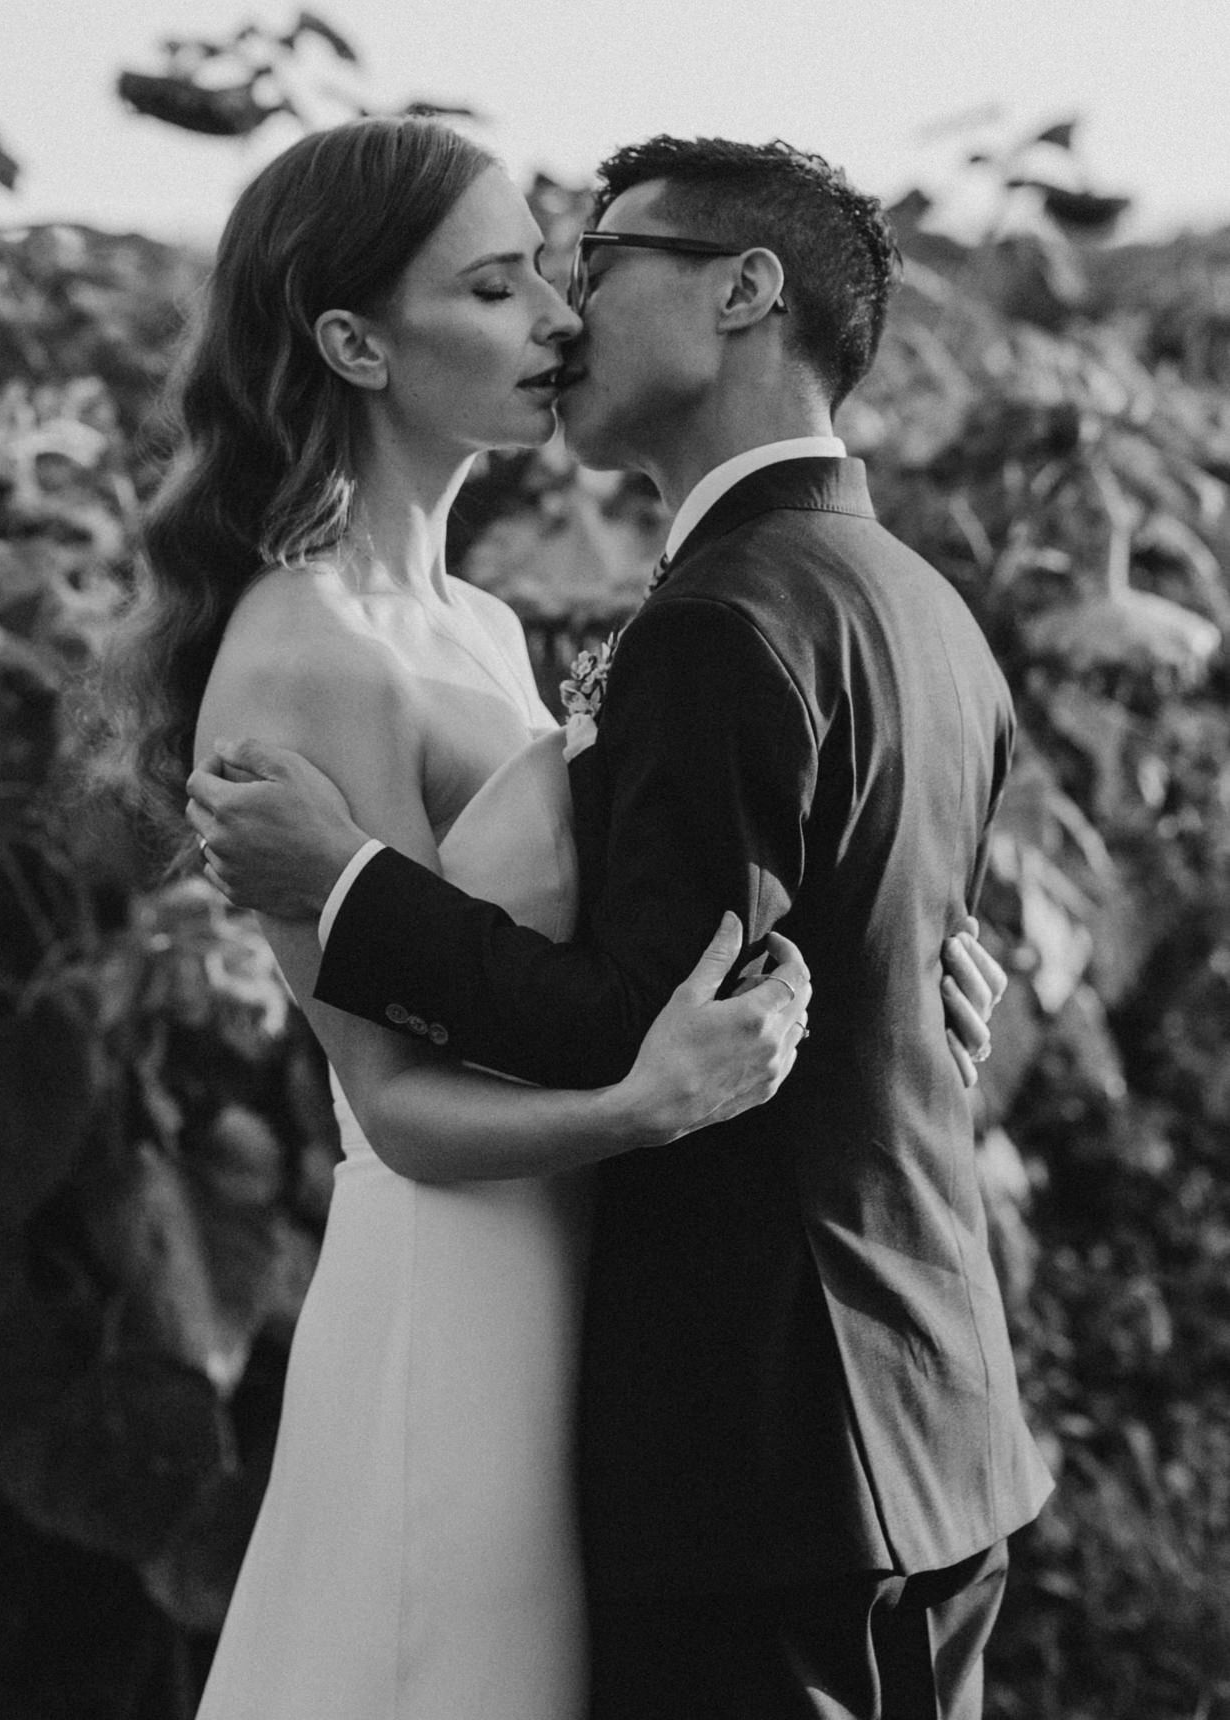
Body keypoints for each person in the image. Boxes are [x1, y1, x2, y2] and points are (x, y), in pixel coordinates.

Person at [190, 131, 1050, 1720]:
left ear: (742, 292)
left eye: (576, 268)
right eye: (507, 278)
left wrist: (892, 977)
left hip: (729, 1388)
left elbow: (675, 978)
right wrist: (649, 1087)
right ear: (356, 344)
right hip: (507, 1301)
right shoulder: (302, 651)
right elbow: (417, 1096)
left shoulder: (557, 623)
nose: (558, 317)